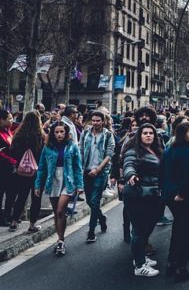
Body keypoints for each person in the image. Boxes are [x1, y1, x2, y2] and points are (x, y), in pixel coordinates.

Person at [160, 121, 189, 282]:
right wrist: (182, 194)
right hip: (186, 198)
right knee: (185, 233)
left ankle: (171, 263)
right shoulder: (188, 152)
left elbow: (162, 172)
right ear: (182, 134)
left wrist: (167, 192)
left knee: (177, 230)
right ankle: (181, 268)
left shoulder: (169, 149)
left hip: (171, 195)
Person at [34, 122, 84, 256]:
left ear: (66, 133)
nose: (59, 134)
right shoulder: (47, 148)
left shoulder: (72, 147)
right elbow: (42, 168)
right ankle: (59, 238)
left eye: (62, 132)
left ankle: (61, 240)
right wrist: (38, 185)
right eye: (56, 132)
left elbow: (77, 167)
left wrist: (80, 185)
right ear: (52, 133)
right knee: (56, 212)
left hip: (68, 180)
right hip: (53, 180)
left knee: (61, 210)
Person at [122, 123, 163, 277]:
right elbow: (128, 165)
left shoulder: (157, 150)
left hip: (153, 194)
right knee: (139, 230)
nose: (148, 135)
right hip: (136, 194)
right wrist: (130, 175)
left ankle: (140, 257)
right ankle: (139, 265)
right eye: (145, 133)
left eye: (151, 133)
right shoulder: (133, 151)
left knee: (148, 227)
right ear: (139, 135)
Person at [7, 111, 46, 232]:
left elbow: (12, 151)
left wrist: (20, 161)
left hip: (21, 171)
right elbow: (44, 154)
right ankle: (32, 224)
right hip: (37, 172)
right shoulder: (41, 136)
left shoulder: (18, 135)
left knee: (21, 196)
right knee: (36, 198)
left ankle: (14, 222)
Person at [80, 111, 115, 243]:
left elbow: (109, 154)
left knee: (95, 201)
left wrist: (98, 169)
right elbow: (81, 151)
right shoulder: (85, 133)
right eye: (93, 120)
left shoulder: (107, 135)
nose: (95, 123)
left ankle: (91, 231)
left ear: (103, 121)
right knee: (89, 201)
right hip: (87, 171)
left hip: (101, 172)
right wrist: (82, 169)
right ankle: (101, 218)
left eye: (98, 121)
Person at [0, 109, 17, 227]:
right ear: (2, 120)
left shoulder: (8, 131)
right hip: (2, 168)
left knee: (12, 193)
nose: (12, 121)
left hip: (11, 168)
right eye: (9, 118)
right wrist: (11, 160)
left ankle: (8, 215)